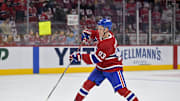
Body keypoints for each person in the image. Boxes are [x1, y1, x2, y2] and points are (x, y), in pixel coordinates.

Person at [70, 18, 139, 101]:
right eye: (98, 28)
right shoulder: (104, 34)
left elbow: (95, 59)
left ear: (106, 29)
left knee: (122, 91)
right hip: (101, 66)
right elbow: (95, 34)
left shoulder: (108, 43)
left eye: (100, 29)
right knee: (86, 85)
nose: (98, 30)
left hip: (113, 68)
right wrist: (88, 33)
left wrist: (80, 56)